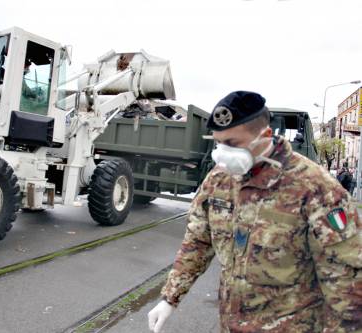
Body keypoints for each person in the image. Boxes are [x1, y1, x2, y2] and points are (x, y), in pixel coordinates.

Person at [148, 91, 362, 333]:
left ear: (266, 136)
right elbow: (197, 242)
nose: (222, 153)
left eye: (232, 144)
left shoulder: (316, 188)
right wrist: (169, 298)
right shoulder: (218, 180)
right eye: (218, 143)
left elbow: (347, 280)